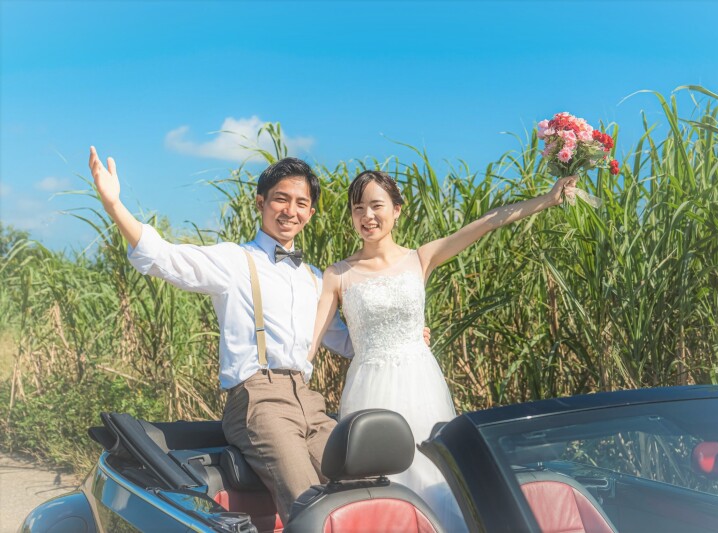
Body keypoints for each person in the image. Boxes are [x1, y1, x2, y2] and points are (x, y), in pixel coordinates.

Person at [88, 147, 355, 522]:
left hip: (310, 402)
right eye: (280, 199)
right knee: (306, 501)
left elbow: (344, 341)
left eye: (300, 203)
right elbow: (164, 258)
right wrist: (114, 205)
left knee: (354, 487)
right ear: (260, 202)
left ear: (310, 213)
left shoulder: (314, 278)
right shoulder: (234, 261)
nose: (290, 211)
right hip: (258, 400)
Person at [307, 169, 578, 530]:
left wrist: (547, 199)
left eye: (376, 205)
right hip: (368, 388)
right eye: (358, 208)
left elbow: (485, 224)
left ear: (397, 209)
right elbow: (311, 340)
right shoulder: (338, 273)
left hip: (421, 383)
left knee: (433, 477)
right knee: (377, 486)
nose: (367, 216)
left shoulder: (419, 258)